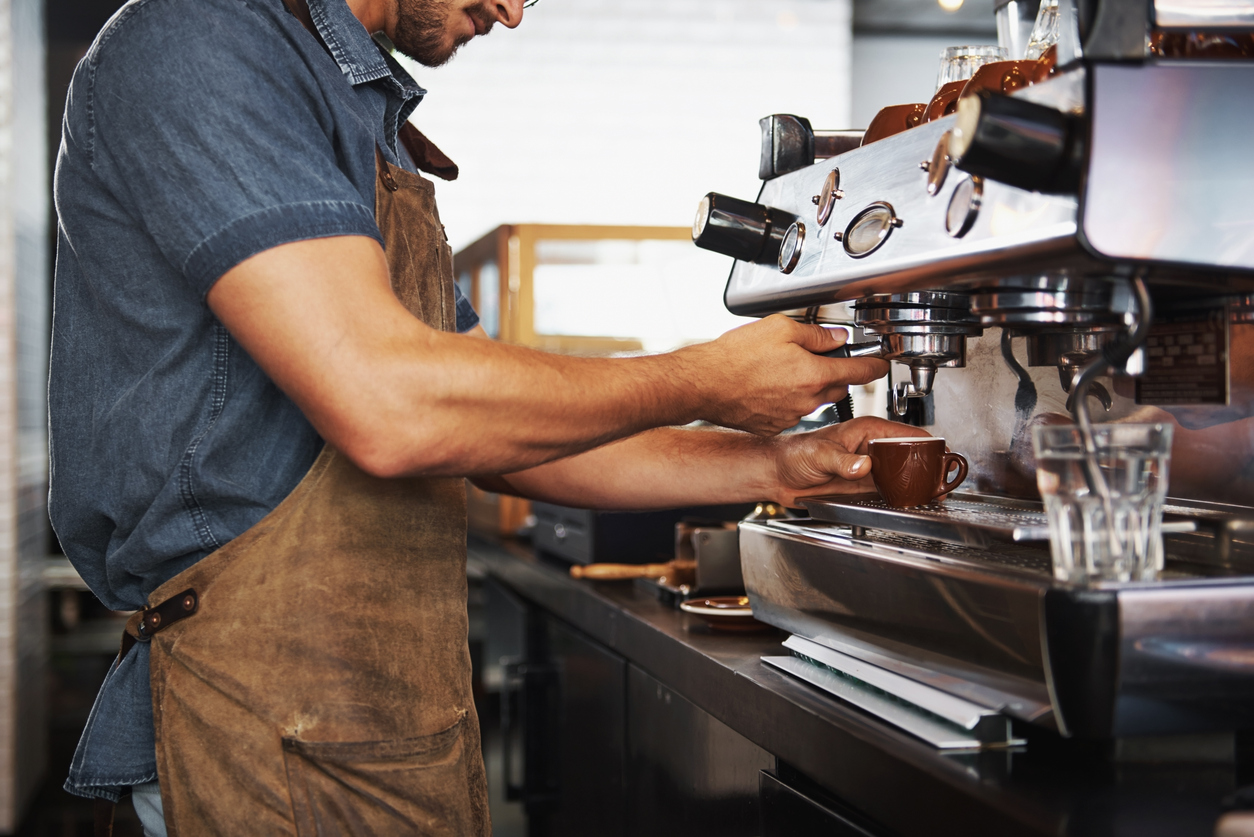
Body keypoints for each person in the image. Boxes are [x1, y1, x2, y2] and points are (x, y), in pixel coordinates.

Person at [49, 0, 914, 833]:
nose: (511, 13)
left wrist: (779, 465)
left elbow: (501, 444)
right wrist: (701, 380)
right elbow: (392, 406)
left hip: (380, 724)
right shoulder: (202, 40)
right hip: (259, 727)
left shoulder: (355, 106)